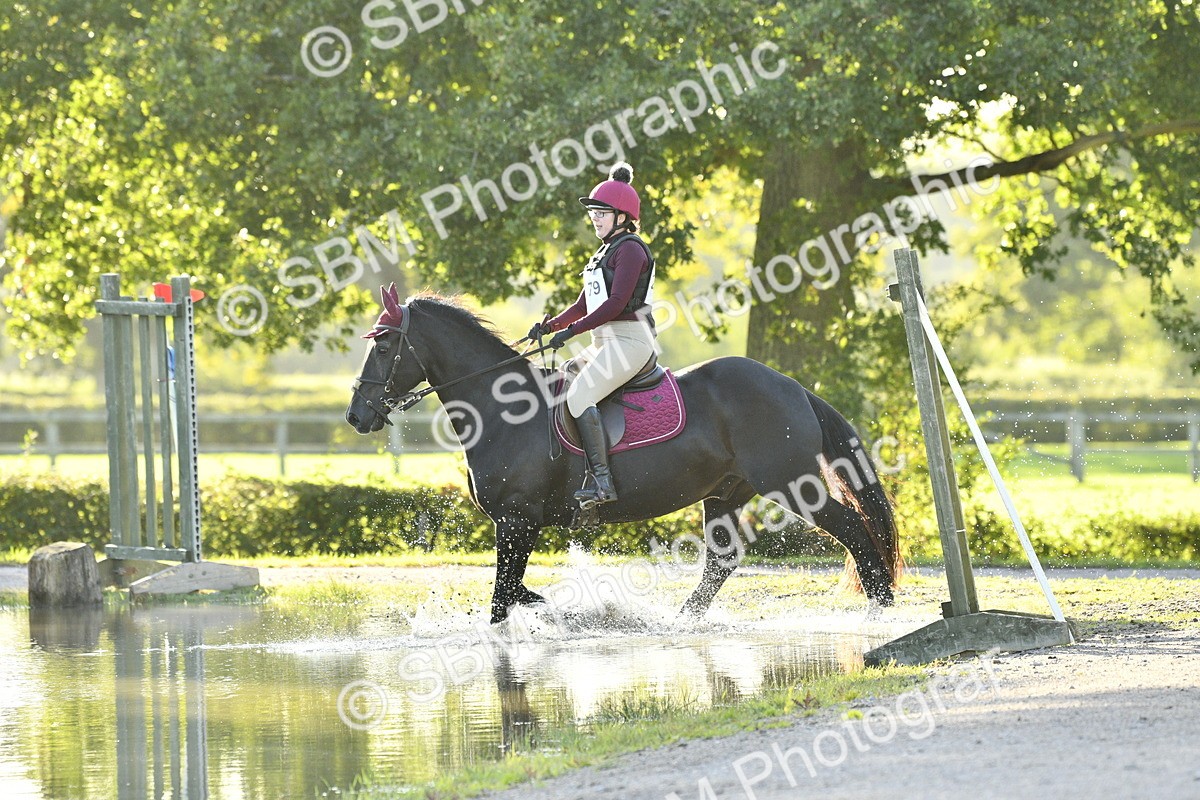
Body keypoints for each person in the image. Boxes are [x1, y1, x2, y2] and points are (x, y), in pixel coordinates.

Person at [528, 162, 657, 507]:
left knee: (579, 396)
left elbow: (615, 305)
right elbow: (583, 305)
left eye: (602, 213)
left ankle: (603, 483)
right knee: (562, 380)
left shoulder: (630, 249)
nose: (595, 219)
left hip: (630, 342)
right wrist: (550, 326)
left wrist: (571, 332)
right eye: (594, 214)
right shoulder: (604, 252)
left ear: (622, 217)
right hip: (604, 342)